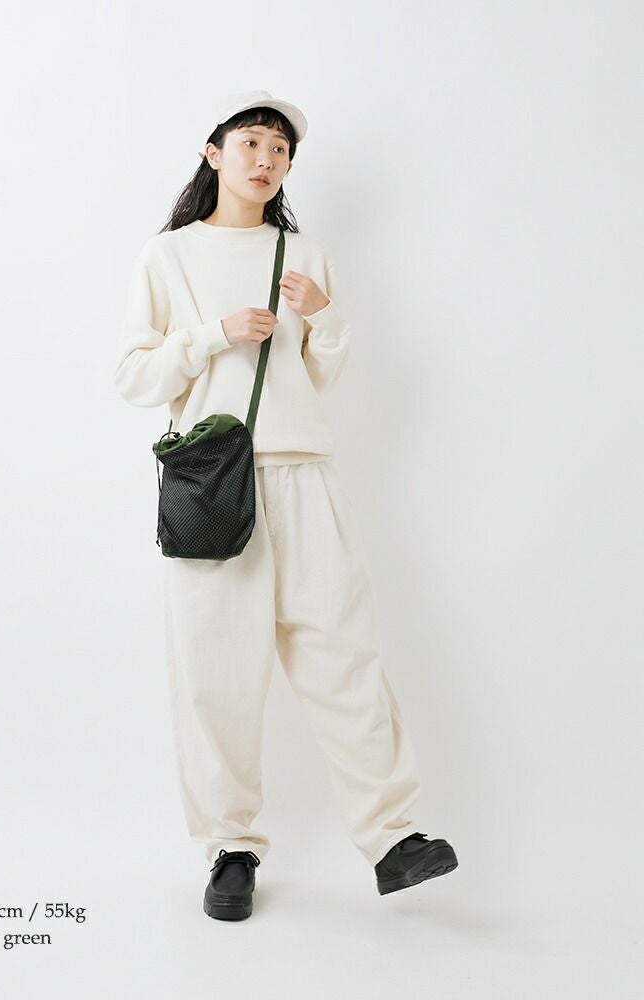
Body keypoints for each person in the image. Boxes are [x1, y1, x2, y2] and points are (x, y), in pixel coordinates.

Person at [114, 90, 458, 920]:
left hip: (302, 473)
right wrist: (213, 334)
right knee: (216, 673)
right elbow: (134, 376)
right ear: (213, 152)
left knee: (344, 655)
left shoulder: (303, 254)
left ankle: (392, 839)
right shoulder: (168, 257)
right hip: (212, 484)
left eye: (279, 149)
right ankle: (229, 849)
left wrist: (323, 319)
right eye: (251, 142)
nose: (266, 159)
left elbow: (323, 373)